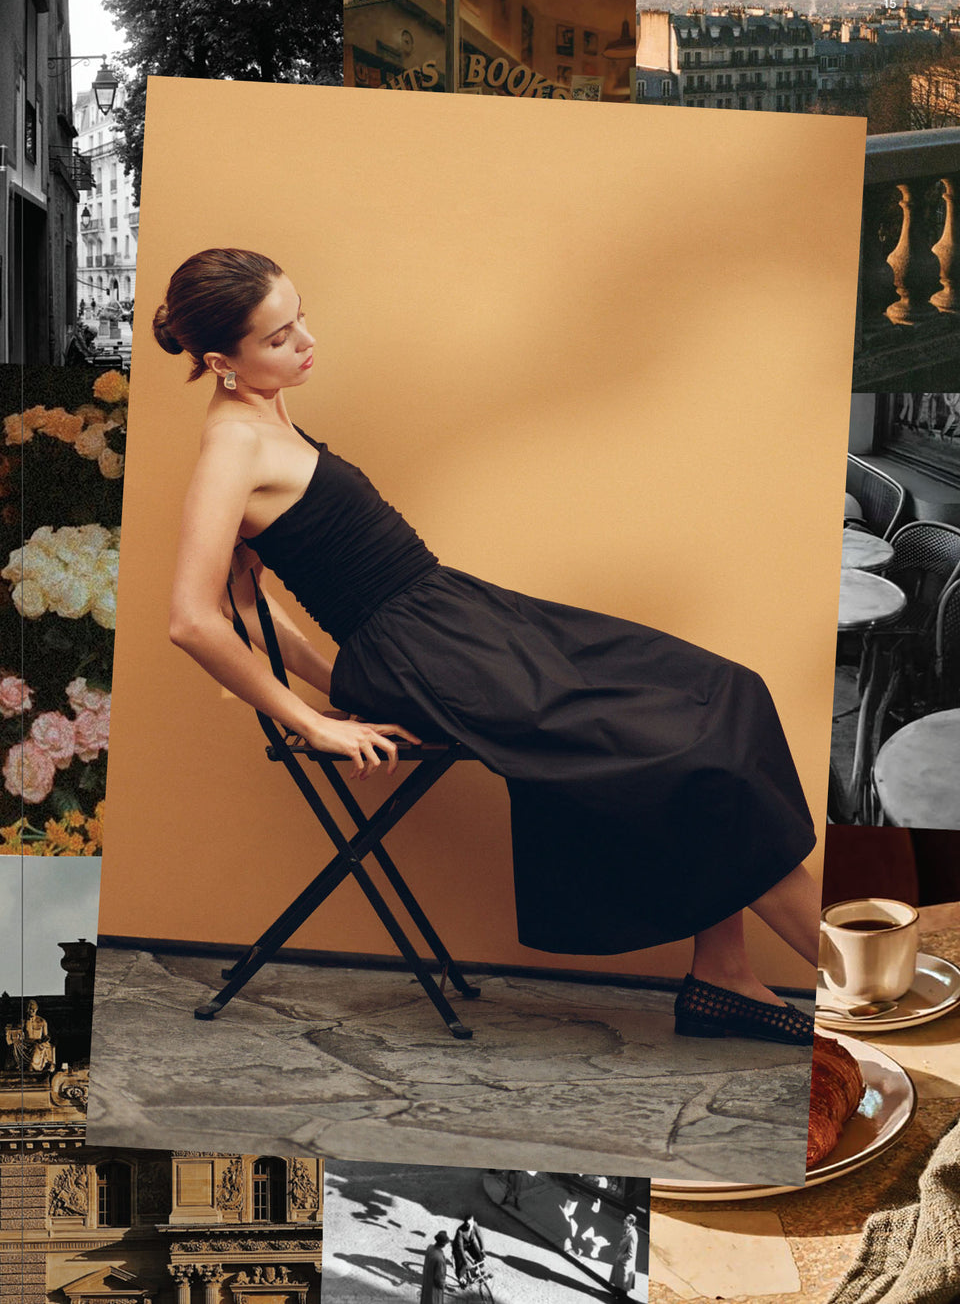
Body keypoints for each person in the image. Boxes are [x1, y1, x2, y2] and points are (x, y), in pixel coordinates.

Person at [158, 248, 823, 1046]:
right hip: (435, 655)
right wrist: (315, 719)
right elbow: (195, 617)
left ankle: (724, 974)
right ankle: (858, 991)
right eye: (277, 336)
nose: (305, 340)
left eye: (301, 314)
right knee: (685, 752)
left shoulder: (268, 407)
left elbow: (253, 595)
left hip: (457, 619)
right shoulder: (231, 444)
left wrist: (339, 679)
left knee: (724, 691)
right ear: (219, 362)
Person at [610, 1213, 639, 1299]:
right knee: (617, 1289)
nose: (624, 1221)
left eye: (626, 1220)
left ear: (630, 1223)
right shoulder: (627, 1230)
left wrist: (620, 1259)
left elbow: (631, 1254)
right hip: (621, 1265)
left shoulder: (633, 1234)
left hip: (625, 1266)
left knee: (622, 1292)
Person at [453, 1213, 485, 1285]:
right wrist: (465, 1262)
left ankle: (477, 1270)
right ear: (466, 1224)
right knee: (460, 1263)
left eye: (472, 1223)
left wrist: (482, 1249)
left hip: (470, 1243)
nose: (471, 1226)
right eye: (469, 1224)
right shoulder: (460, 1231)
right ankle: (460, 1278)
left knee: (479, 1256)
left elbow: (479, 1236)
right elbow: (460, 1248)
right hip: (459, 1247)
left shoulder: (474, 1224)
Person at [421, 1230, 449, 1304]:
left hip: (427, 1281)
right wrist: (443, 1284)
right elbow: (439, 1279)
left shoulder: (430, 1248)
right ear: (444, 1245)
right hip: (434, 1289)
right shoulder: (440, 1259)